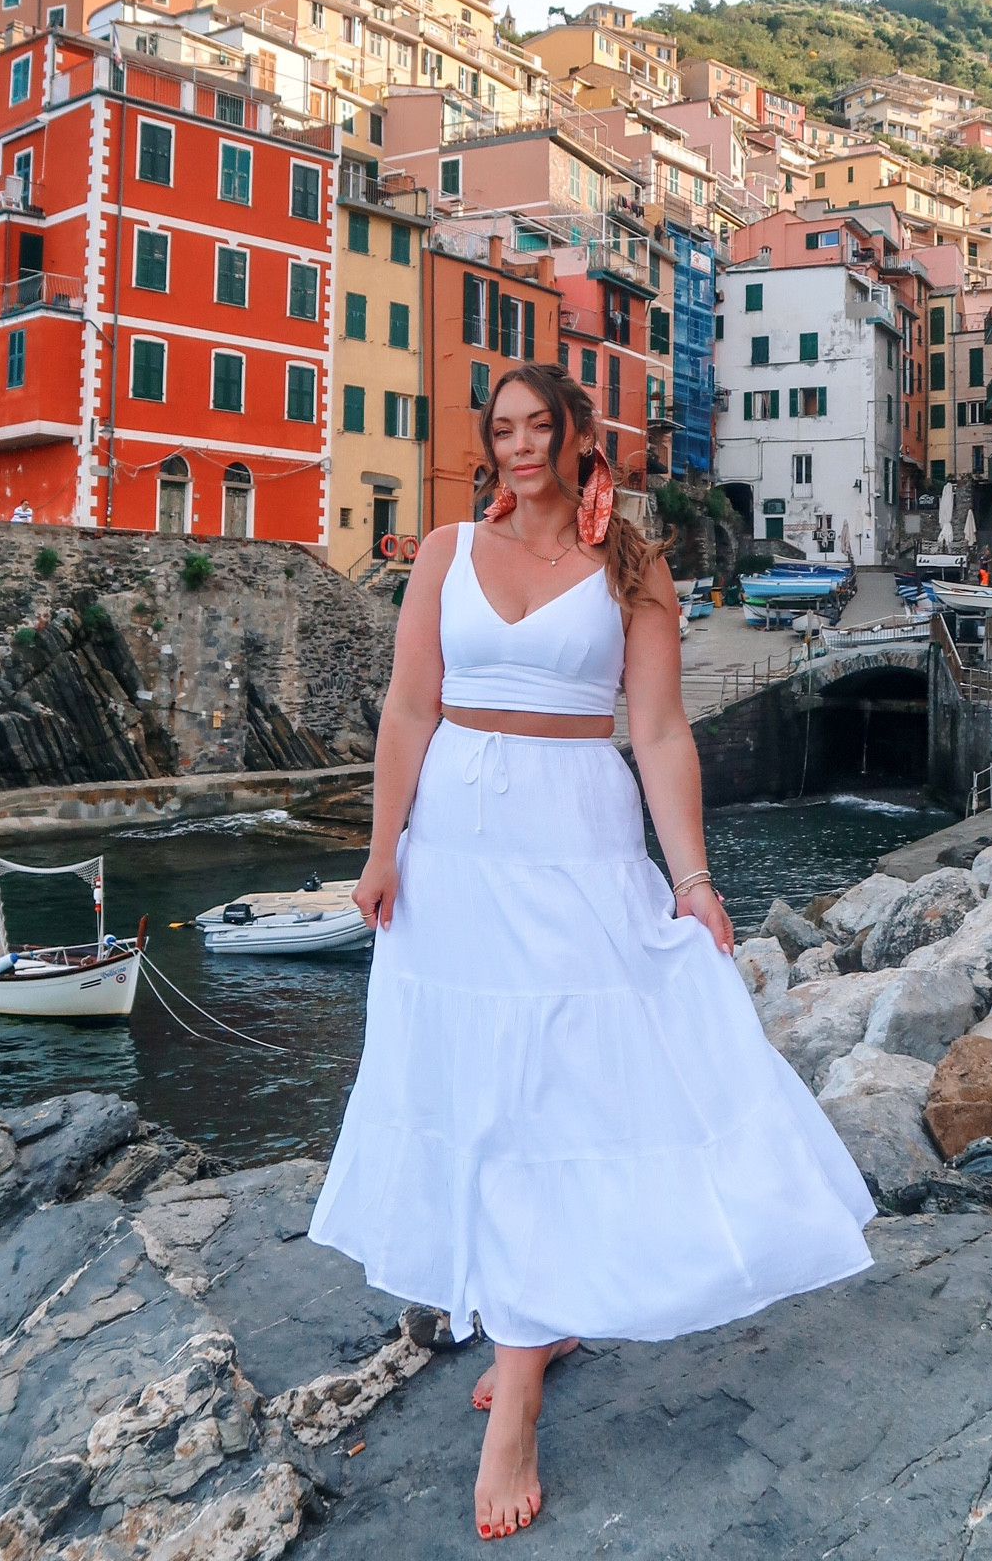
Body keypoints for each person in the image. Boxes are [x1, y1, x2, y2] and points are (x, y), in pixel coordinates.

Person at [309, 363, 874, 1541]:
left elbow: (661, 734)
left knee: (555, 1085)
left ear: (578, 437)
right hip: (456, 843)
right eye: (500, 429)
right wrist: (380, 849)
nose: (518, 447)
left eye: (537, 427)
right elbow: (407, 710)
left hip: (577, 838)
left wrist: (694, 879)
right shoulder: (443, 553)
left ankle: (513, 1391)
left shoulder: (631, 568)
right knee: (483, 1080)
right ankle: (540, 1315)